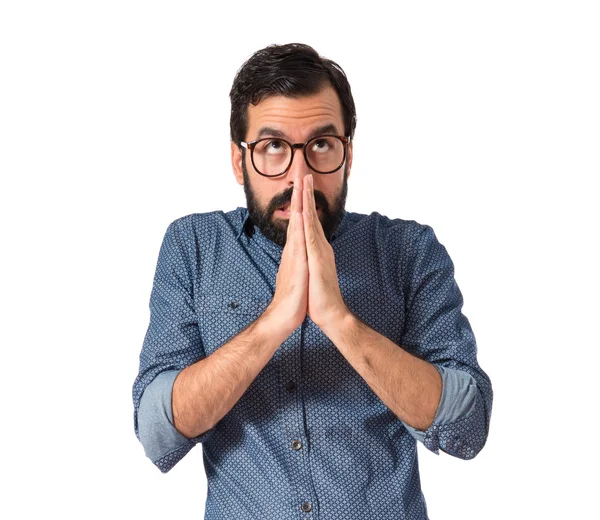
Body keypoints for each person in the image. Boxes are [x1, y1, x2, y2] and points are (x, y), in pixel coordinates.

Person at [132, 42, 493, 519]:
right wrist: (274, 321)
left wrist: (339, 321)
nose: (299, 176)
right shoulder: (193, 247)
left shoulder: (409, 251)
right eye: (274, 147)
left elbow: (466, 429)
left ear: (347, 154)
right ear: (240, 161)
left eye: (321, 145)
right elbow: (158, 432)